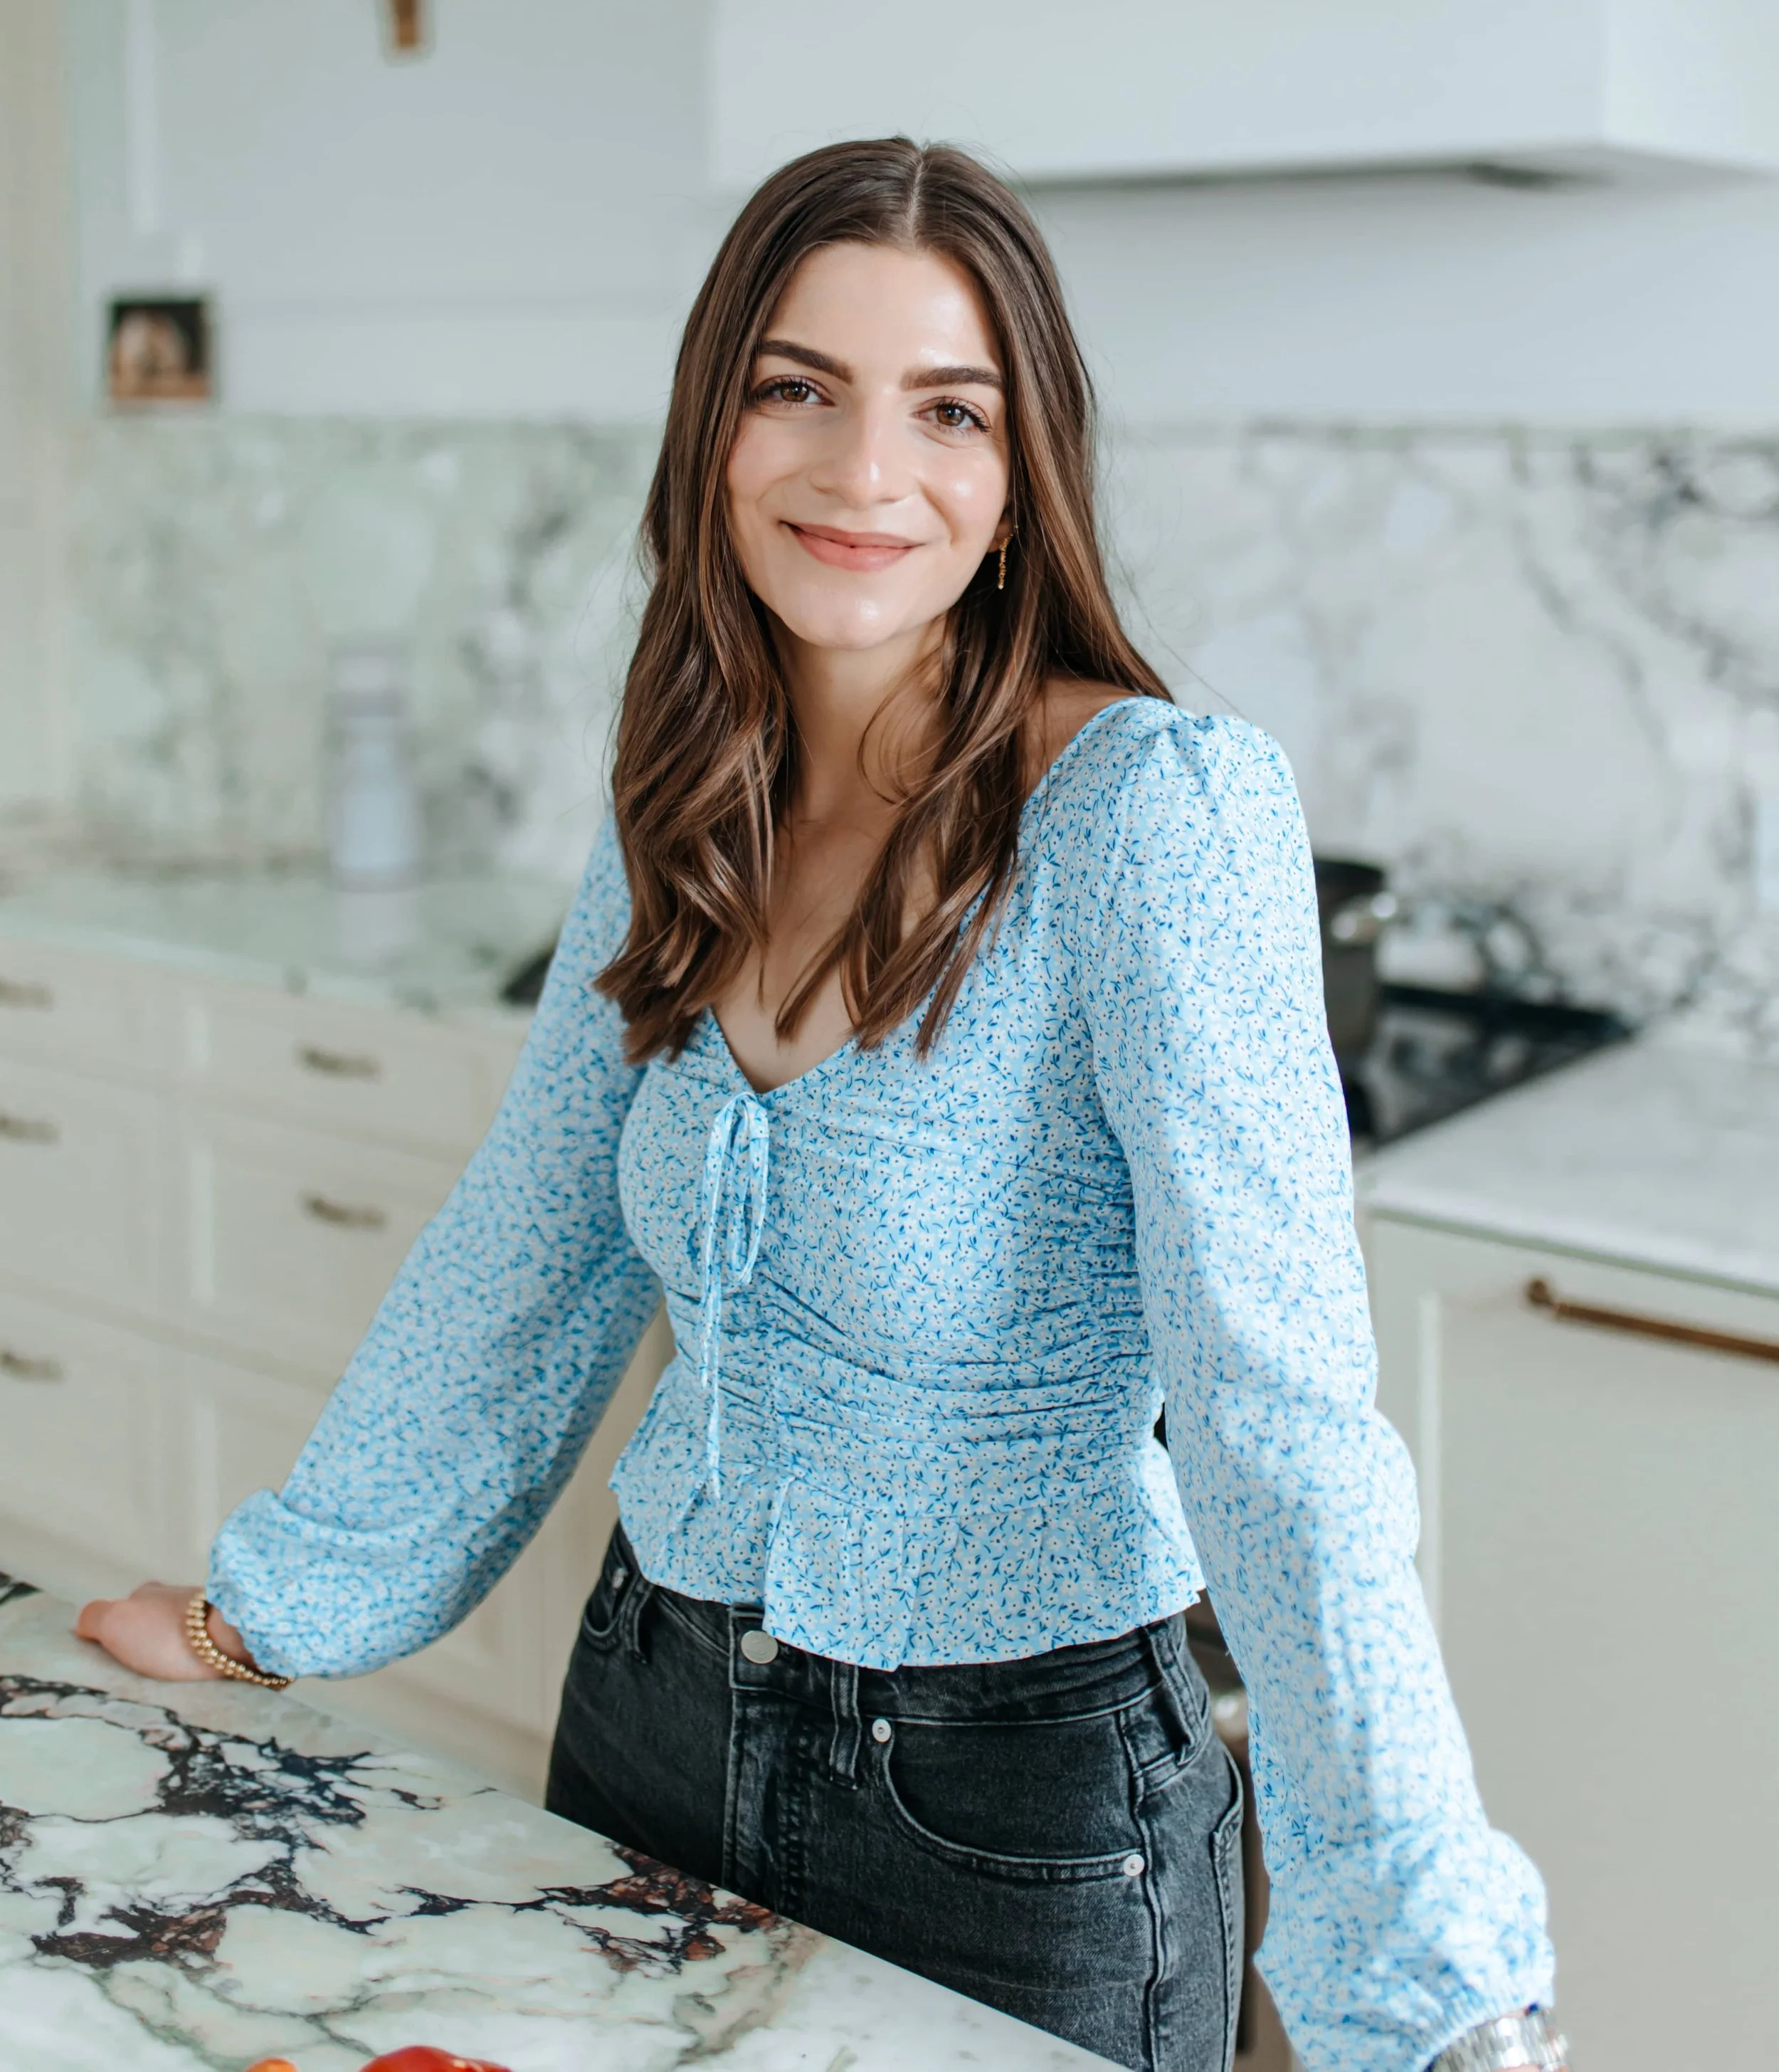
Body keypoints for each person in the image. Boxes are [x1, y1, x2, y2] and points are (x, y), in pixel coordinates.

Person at [79, 140, 1562, 2072]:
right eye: (798, 387)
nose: (865, 474)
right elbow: (527, 1247)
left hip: (1016, 1814)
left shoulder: (1149, 815)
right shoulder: (691, 801)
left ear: (1025, 479)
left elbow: (1276, 1414)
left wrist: (1428, 1990)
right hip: (644, 1720)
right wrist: (259, 1609)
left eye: (949, 410)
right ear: (715, 425)